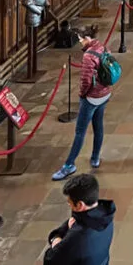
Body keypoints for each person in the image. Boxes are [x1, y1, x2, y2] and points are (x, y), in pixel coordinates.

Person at [52, 32, 113, 181]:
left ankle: (69, 165)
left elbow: (86, 81)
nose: (80, 42)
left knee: (80, 132)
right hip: (105, 94)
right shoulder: (103, 47)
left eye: (81, 39)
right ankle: (95, 158)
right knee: (98, 126)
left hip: (92, 98)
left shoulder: (88, 56)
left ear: (87, 38)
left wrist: (82, 95)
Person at [43, 173, 115, 265]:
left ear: (80, 205)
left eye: (70, 203)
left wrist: (56, 242)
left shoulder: (78, 236)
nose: (69, 205)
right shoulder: (105, 218)